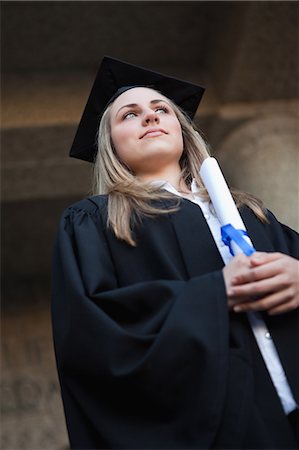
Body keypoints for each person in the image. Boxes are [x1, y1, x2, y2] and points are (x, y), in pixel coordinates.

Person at [51, 56, 299, 449]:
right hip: (221, 428)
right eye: (129, 115)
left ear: (182, 129)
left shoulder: (252, 215)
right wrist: (214, 294)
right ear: (111, 143)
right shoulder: (96, 221)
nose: (149, 117)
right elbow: (91, 334)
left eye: (160, 109)